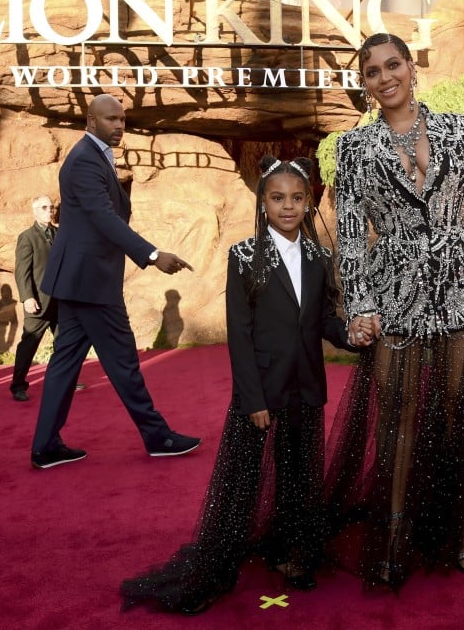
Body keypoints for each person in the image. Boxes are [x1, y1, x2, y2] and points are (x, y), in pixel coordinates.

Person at [120, 156, 354, 615]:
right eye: (277, 198)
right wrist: (251, 397)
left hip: (307, 387)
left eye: (297, 198)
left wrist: (353, 336)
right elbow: (240, 334)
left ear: (309, 203)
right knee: (245, 479)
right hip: (262, 392)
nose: (288, 207)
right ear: (262, 202)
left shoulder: (320, 256)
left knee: (300, 475)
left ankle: (295, 554)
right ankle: (226, 553)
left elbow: (325, 319)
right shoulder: (243, 256)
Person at [323, 32, 464, 588]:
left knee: (459, 417)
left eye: (393, 65)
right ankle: (392, 538)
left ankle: (462, 533)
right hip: (395, 296)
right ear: (365, 85)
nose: (385, 78)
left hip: (460, 288)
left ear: (411, 67)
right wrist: (359, 305)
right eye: (373, 72)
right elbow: (352, 234)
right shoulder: (354, 149)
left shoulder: (460, 129)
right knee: (396, 422)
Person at [29, 93, 200, 469]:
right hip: (90, 282)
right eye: (110, 119)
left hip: (77, 280)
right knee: (123, 361)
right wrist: (153, 256)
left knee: (64, 364)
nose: (119, 125)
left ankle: (45, 446)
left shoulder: (94, 156)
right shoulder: (84, 161)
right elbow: (105, 219)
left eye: (122, 119)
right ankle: (158, 437)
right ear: (91, 121)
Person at [10, 195, 58, 402]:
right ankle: (18, 386)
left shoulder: (59, 233)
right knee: (29, 345)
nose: (50, 210)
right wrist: (27, 297)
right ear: (35, 211)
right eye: (44, 207)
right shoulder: (27, 237)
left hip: (60, 301)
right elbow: (22, 271)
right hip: (38, 303)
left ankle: (64, 381)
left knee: (65, 345)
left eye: (52, 207)